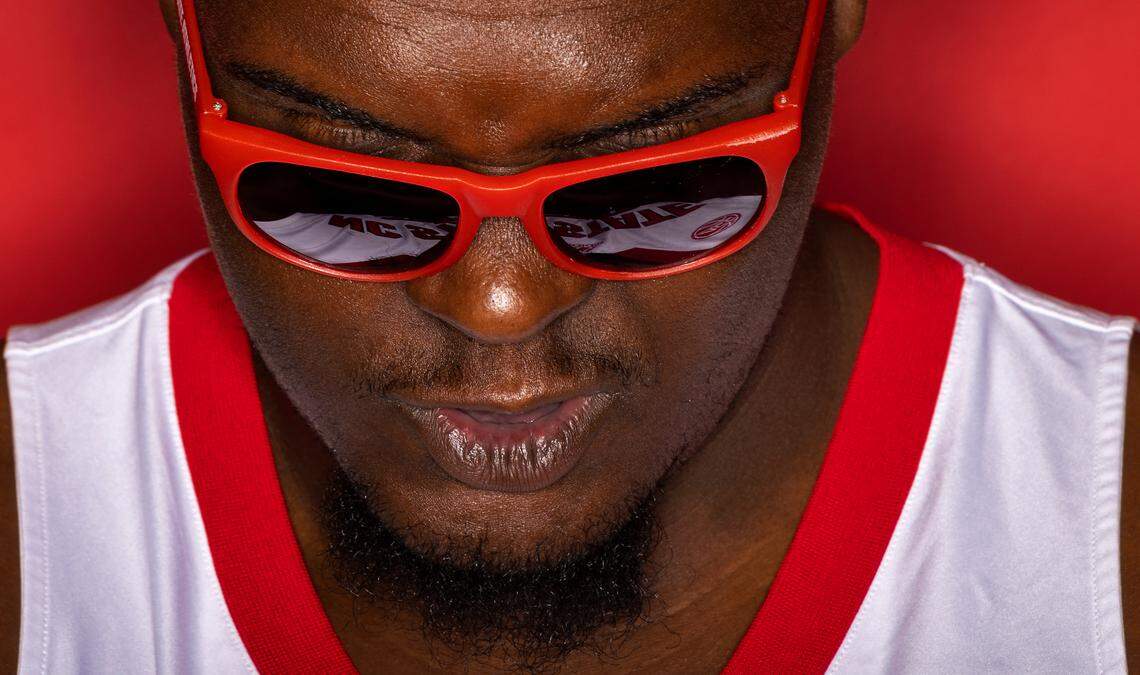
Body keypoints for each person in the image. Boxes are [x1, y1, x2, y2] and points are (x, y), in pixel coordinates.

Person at [0, 0, 1136, 671]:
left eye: (664, 190)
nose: (500, 308)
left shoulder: (1101, 516)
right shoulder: (35, 513)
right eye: (345, 195)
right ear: (179, 34)